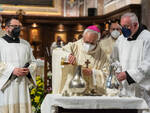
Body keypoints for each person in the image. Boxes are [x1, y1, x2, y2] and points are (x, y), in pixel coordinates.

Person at [52, 25, 109, 95]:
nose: (89, 45)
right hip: (73, 91)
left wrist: (93, 73)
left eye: (92, 43)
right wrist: (67, 56)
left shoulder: (102, 54)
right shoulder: (73, 47)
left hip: (93, 93)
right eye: (87, 42)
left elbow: (107, 74)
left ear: (97, 41)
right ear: (83, 37)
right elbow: (56, 52)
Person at [111, 12, 150, 112]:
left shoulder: (147, 38)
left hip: (142, 91)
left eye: (126, 26)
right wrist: (117, 70)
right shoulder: (120, 39)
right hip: (124, 89)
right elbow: (115, 59)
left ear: (135, 25)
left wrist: (128, 75)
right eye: (122, 26)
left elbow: (148, 64)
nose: (123, 29)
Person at [0, 17, 37, 113]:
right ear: (7, 28)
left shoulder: (26, 44)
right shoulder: (0, 43)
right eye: (14, 26)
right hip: (7, 84)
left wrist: (28, 70)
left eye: (19, 26)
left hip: (22, 84)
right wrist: (12, 70)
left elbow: (33, 62)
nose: (17, 29)